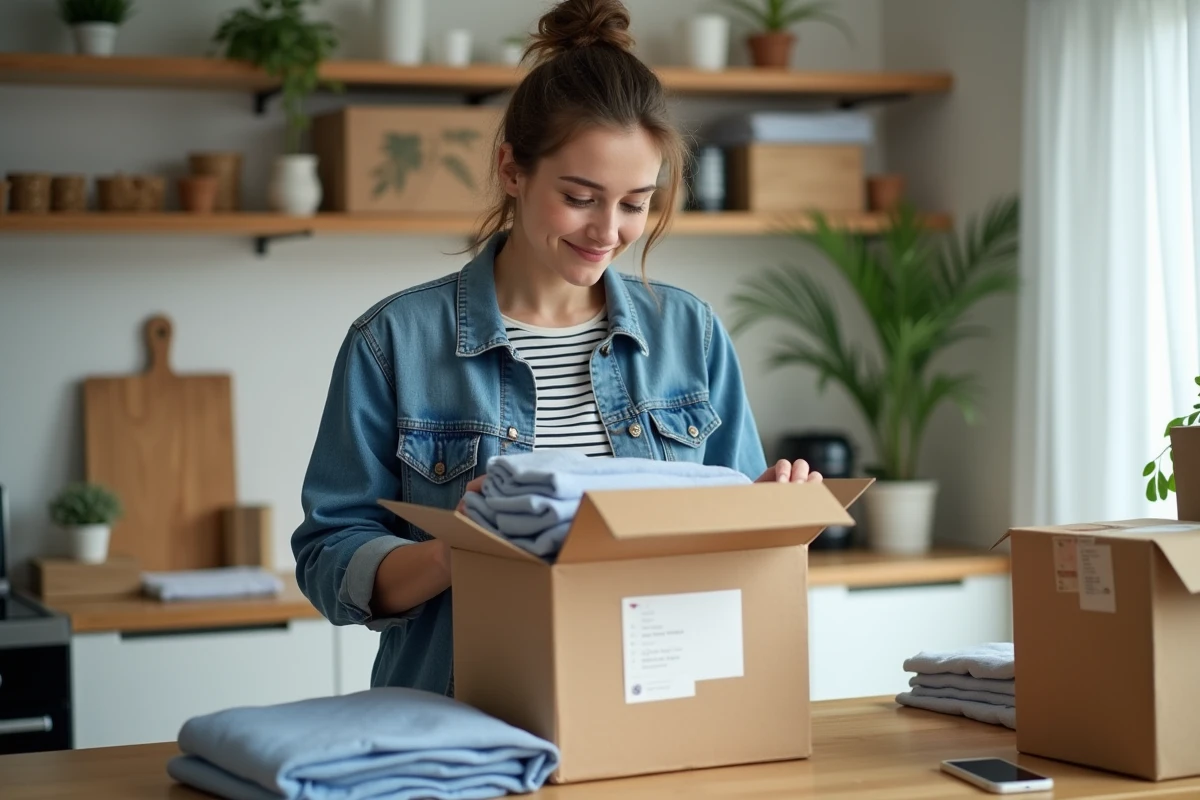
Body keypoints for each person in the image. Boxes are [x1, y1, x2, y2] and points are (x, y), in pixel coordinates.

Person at [292, 0, 822, 697]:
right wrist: (458, 552)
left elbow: (732, 551)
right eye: (580, 197)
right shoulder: (394, 340)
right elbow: (329, 558)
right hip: (461, 716)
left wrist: (774, 516)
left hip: (656, 705)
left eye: (635, 203)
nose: (607, 231)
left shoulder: (689, 333)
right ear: (512, 169)